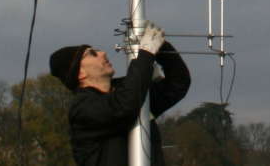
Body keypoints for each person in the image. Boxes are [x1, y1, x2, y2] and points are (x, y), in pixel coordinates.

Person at [50, 22, 190, 166]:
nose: (102, 53)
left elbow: (177, 84)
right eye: (92, 54)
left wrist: (160, 47)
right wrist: (146, 54)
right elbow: (124, 106)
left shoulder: (131, 91)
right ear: (80, 73)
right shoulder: (83, 109)